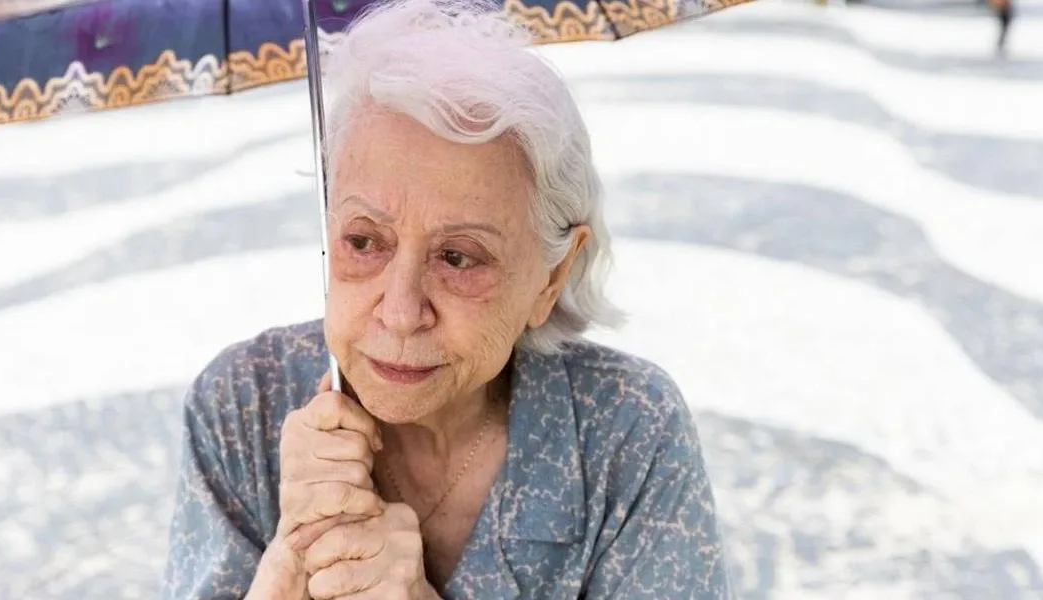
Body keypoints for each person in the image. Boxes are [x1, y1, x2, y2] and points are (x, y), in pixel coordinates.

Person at [160, 0, 730, 597]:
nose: (402, 312)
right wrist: (285, 575)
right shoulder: (241, 408)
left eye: (458, 257)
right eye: (363, 241)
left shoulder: (624, 429)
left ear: (551, 278)